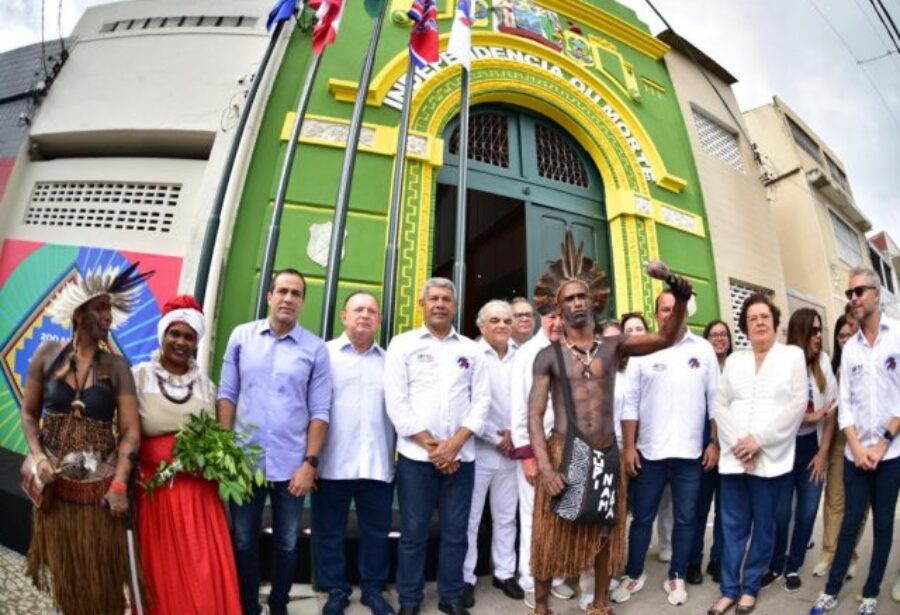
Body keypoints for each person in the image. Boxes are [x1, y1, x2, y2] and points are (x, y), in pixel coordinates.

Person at [528, 234, 694, 615]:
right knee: (550, 534)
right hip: (563, 449)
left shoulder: (613, 347)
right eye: (568, 298)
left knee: (605, 532)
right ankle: (540, 606)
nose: (576, 303)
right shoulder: (547, 356)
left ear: (593, 301)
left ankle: (600, 604)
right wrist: (546, 468)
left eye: (581, 297)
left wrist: (678, 294)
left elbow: (667, 337)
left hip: (605, 454)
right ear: (558, 306)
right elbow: (534, 417)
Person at [21, 263, 149, 615]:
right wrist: (39, 458)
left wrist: (120, 485)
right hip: (56, 493)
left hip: (101, 494)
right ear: (79, 314)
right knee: (68, 579)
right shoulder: (47, 354)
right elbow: (29, 415)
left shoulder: (117, 367)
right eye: (100, 307)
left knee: (103, 584)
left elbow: (130, 433)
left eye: (110, 308)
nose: (108, 315)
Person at [217, 268, 333, 615]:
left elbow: (320, 411)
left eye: (295, 293)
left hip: (291, 466)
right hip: (244, 463)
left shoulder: (315, 349)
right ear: (269, 296)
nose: (288, 298)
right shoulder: (242, 337)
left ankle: (279, 604)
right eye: (282, 291)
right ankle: (248, 606)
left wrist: (310, 464)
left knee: (286, 543)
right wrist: (226, 452)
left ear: (302, 302)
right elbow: (226, 394)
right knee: (242, 541)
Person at [384, 278, 491, 615]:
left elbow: (482, 402)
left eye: (446, 299)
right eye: (434, 299)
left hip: (462, 458)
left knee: (456, 533)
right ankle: (410, 599)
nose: (440, 304)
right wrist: (435, 448)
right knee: (413, 533)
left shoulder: (472, 350)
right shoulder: (402, 345)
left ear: (455, 306)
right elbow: (396, 403)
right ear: (422, 304)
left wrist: (455, 445)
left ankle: (451, 596)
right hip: (417, 459)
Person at [133, 295, 241, 615]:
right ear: (162, 335)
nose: (181, 342)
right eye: (175, 334)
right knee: (161, 571)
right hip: (155, 494)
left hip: (199, 497)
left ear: (196, 342)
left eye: (189, 336)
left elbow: (215, 438)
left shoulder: (207, 387)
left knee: (202, 570)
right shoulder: (137, 376)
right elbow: (122, 433)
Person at [613, 292, 719, 606]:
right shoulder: (642, 351)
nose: (670, 314)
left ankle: (676, 576)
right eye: (664, 309)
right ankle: (634, 574)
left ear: (685, 312)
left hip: (690, 454)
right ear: (657, 314)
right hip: (649, 453)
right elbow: (629, 404)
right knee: (642, 518)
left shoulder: (704, 350)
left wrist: (714, 442)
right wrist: (629, 447)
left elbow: (715, 401)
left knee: (686, 519)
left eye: (676, 308)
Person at [708, 293, 807, 615]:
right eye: (753, 318)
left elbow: (796, 406)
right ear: (745, 328)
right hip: (735, 459)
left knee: (764, 527)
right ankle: (728, 589)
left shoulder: (792, 356)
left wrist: (759, 441)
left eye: (765, 316)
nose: (760, 322)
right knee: (732, 527)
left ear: (775, 322)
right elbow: (720, 404)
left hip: (771, 460)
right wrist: (740, 443)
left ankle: (750, 588)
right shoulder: (735, 362)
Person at [810, 267, 900, 615]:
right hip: (856, 455)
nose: (854, 298)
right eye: (850, 293)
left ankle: (871, 592)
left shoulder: (897, 337)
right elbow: (844, 406)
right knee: (849, 525)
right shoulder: (850, 351)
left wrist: (881, 445)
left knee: (883, 526)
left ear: (877, 294)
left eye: (860, 291)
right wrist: (858, 448)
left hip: (890, 455)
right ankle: (831, 590)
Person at [313, 292, 395, 615]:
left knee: (376, 533)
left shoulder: (390, 361)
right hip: (332, 462)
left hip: (377, 463)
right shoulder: (324, 355)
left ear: (379, 320)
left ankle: (374, 590)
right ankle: (336, 590)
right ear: (344, 316)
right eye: (358, 309)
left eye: (371, 310)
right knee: (329, 531)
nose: (364, 315)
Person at [762, 308, 837, 593]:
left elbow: (831, 412)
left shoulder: (824, 363)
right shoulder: (781, 362)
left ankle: (793, 566)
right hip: (785, 448)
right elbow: (779, 411)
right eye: (814, 330)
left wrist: (823, 453)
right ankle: (775, 563)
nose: (819, 336)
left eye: (821, 330)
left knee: (806, 513)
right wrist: (810, 416)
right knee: (780, 514)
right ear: (801, 331)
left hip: (812, 449)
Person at [509, 304, 574, 609]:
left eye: (562, 316)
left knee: (559, 515)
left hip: (566, 446)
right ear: (541, 319)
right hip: (537, 448)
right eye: (552, 317)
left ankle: (556, 576)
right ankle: (531, 579)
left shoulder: (570, 350)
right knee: (532, 518)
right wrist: (528, 456)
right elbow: (520, 408)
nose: (557, 322)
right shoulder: (528, 353)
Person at [462, 300, 523, 606]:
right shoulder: (470, 355)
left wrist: (515, 435)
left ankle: (504, 573)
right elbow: (466, 402)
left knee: (505, 516)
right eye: (495, 320)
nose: (501, 325)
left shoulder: (521, 357)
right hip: (479, 449)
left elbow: (526, 400)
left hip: (511, 450)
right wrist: (492, 435)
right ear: (481, 325)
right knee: (470, 519)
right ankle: (466, 578)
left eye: (506, 321)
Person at [813, 310, 864, 579]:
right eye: (841, 335)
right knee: (834, 499)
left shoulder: (867, 361)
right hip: (837, 439)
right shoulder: (831, 368)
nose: (845, 339)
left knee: (859, 503)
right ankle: (828, 552)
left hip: (866, 439)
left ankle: (850, 554)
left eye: (850, 334)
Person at [688, 320, 732, 585]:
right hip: (703, 447)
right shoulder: (699, 366)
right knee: (698, 509)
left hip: (731, 450)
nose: (719, 339)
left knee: (726, 510)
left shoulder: (738, 367)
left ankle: (717, 561)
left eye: (723, 334)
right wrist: (710, 442)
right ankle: (693, 561)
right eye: (713, 334)